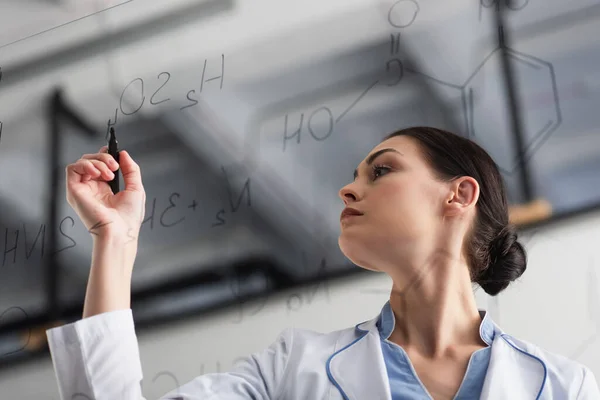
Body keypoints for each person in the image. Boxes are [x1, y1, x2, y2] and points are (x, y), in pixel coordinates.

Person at [46, 126, 599, 400]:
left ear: (458, 195)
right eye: (355, 178)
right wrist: (114, 239)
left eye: (380, 171)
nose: (347, 190)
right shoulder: (292, 370)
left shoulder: (566, 388)